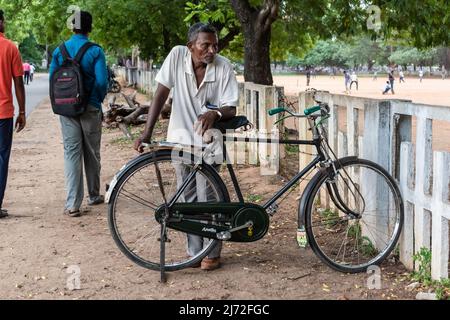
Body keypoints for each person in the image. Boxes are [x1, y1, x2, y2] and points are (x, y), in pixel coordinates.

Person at [134, 22, 239, 271]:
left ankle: (211, 253)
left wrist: (214, 114)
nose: (211, 50)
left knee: (209, 199)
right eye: (205, 45)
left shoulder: (223, 67)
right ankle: (194, 252)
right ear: (191, 46)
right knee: (186, 198)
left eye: (215, 44)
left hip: (209, 142)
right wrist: (147, 132)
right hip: (180, 139)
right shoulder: (177, 56)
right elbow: (161, 93)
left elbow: (231, 107)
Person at [49, 11, 108, 217]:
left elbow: (52, 80)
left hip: (67, 109)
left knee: (71, 154)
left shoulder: (60, 50)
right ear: (89, 28)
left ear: (71, 27)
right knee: (92, 152)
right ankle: (93, 195)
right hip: (90, 108)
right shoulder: (95, 51)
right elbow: (101, 81)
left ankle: (73, 204)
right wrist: (95, 100)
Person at [0, 9, 26, 218]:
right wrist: (23, 111)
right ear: (0, 22)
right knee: (1, 158)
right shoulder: (10, 48)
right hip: (3, 113)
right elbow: (19, 82)